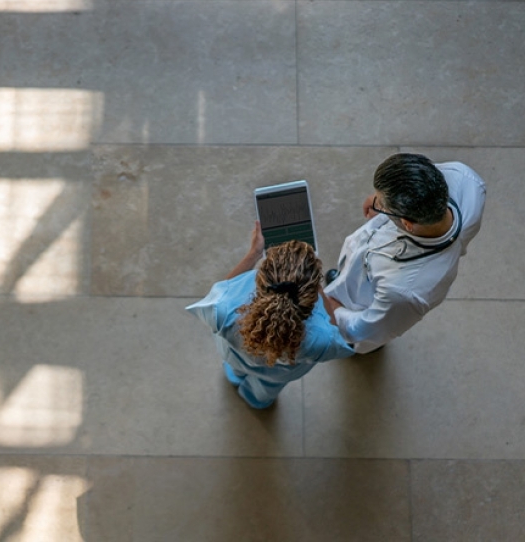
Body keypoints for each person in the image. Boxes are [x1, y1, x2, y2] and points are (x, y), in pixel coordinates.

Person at [321, 153, 487, 353]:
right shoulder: (466, 180)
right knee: (347, 273)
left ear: (407, 224)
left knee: (353, 322)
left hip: (364, 303)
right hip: (368, 263)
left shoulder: (402, 292)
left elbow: (365, 329)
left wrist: (333, 309)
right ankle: (341, 280)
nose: (375, 203)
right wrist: (382, 198)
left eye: (381, 204)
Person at [187, 226, 354, 409]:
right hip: (279, 374)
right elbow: (334, 332)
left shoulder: (224, 310)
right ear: (309, 298)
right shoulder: (322, 340)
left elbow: (222, 291)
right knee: (266, 389)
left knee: (235, 368)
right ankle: (256, 400)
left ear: (260, 279)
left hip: (235, 357)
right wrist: (319, 290)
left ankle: (234, 377)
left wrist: (254, 253)